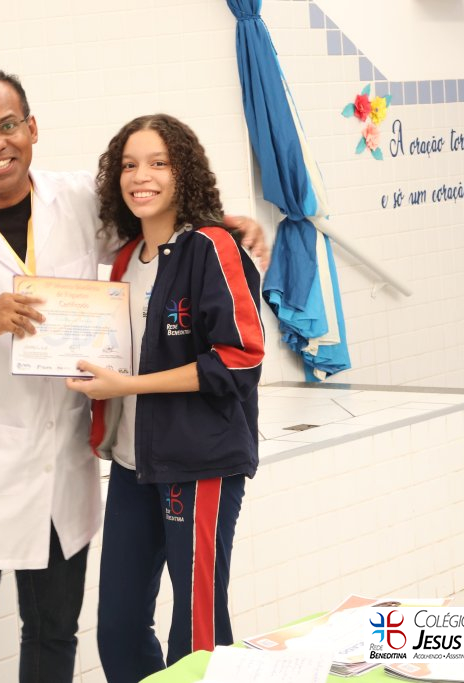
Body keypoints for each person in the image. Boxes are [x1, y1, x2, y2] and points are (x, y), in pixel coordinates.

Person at [0, 69, 268, 683]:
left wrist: (228, 222)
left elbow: (158, 216)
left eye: (7, 126)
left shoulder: (77, 200)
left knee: (54, 636)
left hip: (63, 472)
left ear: (31, 128)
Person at [66, 114, 264, 683]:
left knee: (196, 630)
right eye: (129, 165)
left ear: (184, 172)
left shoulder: (212, 247)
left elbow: (241, 358)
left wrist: (128, 386)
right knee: (118, 627)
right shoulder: (126, 259)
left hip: (199, 464)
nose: (141, 176)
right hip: (135, 465)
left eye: (158, 163)